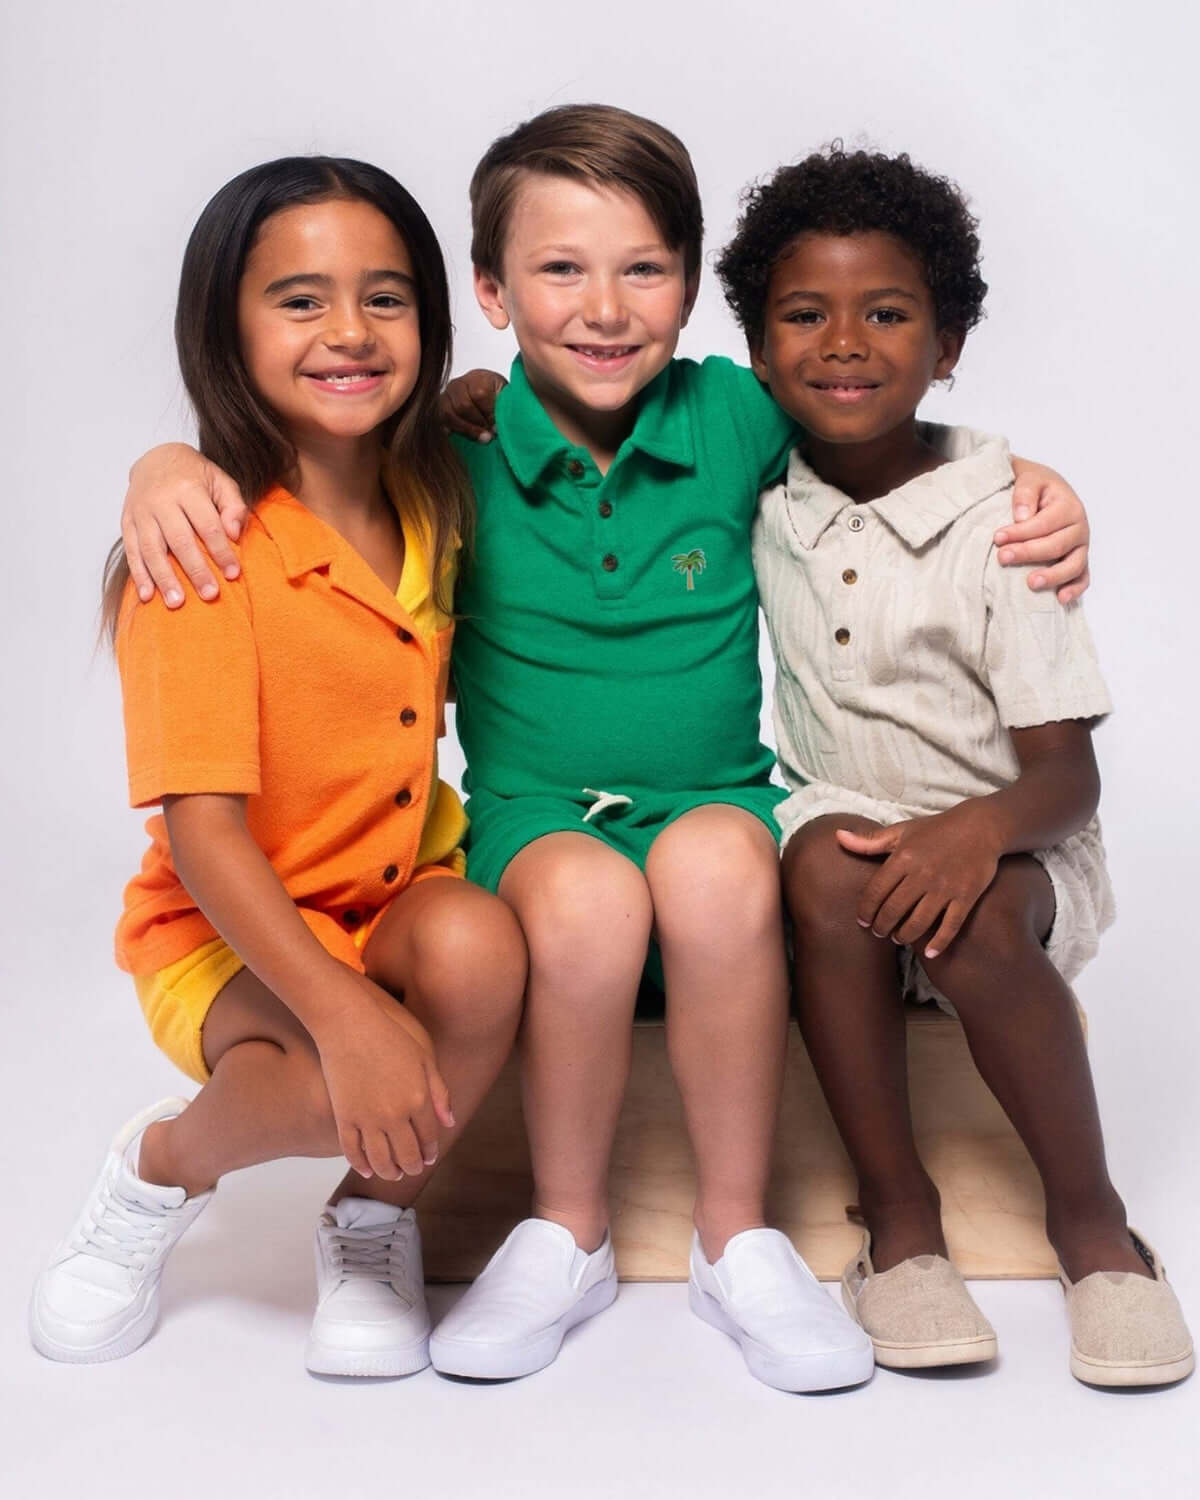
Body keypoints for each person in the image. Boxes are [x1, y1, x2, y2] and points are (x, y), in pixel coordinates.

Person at [113, 107, 1090, 1392]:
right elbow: (301, 456)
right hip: (533, 813)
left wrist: (1031, 484)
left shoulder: (737, 413)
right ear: (491, 291)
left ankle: (735, 1237)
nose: (606, 307)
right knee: (576, 899)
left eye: (644, 268)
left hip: (717, 800)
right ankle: (564, 1228)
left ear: (692, 284)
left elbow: (871, 414)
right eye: (560, 270)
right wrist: (161, 459)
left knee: (723, 873)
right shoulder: (447, 452)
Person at [29, 157, 528, 1377]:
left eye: (387, 298)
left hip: (392, 897)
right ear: (225, 326)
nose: (349, 333)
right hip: (222, 922)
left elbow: (537, 410)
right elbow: (204, 835)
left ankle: (372, 1215)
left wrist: (478, 397)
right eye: (299, 301)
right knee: (325, 1079)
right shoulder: (199, 553)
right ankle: (161, 1168)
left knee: (481, 951)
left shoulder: (441, 496)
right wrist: (350, 1012)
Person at [716, 145, 1193, 1386]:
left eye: (888, 313)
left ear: (951, 340)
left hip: (1020, 843)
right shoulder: (763, 488)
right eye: (804, 316)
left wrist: (975, 831)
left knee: (971, 920)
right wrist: (474, 403)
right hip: (844, 817)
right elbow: (628, 422)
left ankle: (1095, 1229)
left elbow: (1066, 783)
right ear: (759, 351)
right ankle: (901, 1224)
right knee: (821, 865)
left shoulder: (1008, 524)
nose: (845, 344)